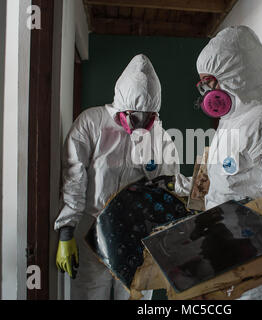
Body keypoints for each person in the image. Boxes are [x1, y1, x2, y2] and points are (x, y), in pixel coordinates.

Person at [177, 26, 262, 300]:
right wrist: (177, 186)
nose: (206, 92)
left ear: (234, 76)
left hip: (257, 261)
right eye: (203, 85)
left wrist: (241, 240)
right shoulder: (228, 122)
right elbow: (218, 182)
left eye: (210, 83)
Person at [55, 54, 179, 300]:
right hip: (91, 232)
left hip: (137, 235)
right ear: (122, 107)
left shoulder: (158, 135)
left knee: (135, 297)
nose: (141, 124)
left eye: (149, 118)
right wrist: (66, 230)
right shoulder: (92, 123)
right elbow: (74, 175)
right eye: (135, 117)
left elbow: (168, 184)